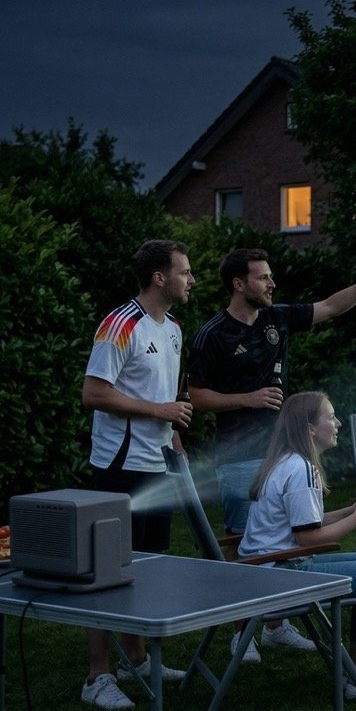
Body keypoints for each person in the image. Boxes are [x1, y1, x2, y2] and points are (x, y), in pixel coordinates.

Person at [188, 248, 356, 661]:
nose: (271, 284)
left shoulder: (276, 318)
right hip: (238, 456)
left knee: (284, 532)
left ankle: (277, 626)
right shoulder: (212, 334)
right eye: (263, 278)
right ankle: (243, 632)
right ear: (238, 284)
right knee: (246, 542)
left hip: (280, 452)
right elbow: (195, 396)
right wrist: (249, 398)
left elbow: (330, 306)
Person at [80, 240, 196, 709]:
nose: (191, 280)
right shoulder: (119, 324)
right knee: (108, 571)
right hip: (119, 467)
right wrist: (159, 410)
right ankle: (96, 676)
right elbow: (93, 393)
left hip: (156, 465)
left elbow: (165, 398)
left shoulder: (174, 329)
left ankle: (136, 658)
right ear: (159, 277)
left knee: (146, 567)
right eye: (185, 272)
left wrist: (176, 444)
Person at [238, 391, 356, 700]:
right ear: (310, 428)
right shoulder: (301, 469)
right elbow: (308, 539)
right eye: (331, 417)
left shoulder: (286, 462)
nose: (338, 423)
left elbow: (306, 523)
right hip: (283, 576)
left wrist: (349, 510)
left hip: (267, 571)